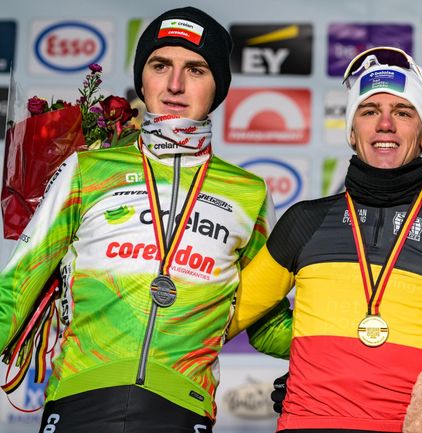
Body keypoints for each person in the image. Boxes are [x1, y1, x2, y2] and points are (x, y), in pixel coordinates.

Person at [0, 7, 291, 432]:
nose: (175, 84)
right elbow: (16, 288)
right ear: (142, 79)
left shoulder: (249, 193)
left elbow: (265, 321)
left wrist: (352, 344)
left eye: (195, 70)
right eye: (160, 65)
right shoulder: (87, 169)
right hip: (80, 398)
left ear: (218, 87)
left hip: (181, 405)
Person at [227, 46, 422, 432]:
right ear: (352, 133)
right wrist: (314, 362)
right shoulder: (305, 221)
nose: (385, 124)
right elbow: (219, 319)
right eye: (369, 111)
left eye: (403, 112)